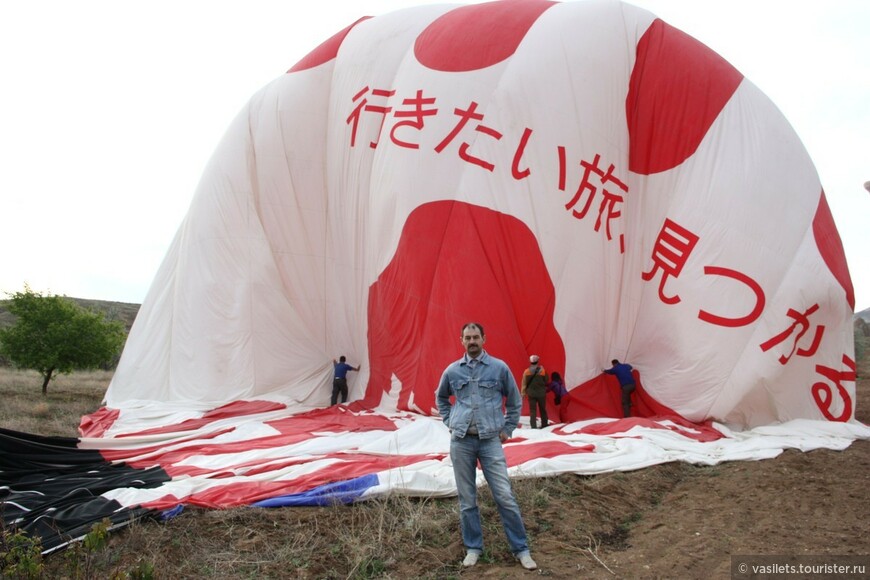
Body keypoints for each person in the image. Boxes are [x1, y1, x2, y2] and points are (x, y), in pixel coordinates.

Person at [435, 322, 537, 571]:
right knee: (467, 500)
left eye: (476, 337)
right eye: (467, 337)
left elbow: (514, 400)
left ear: (484, 339)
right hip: (461, 441)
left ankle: (521, 549)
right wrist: (450, 421)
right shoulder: (452, 371)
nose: (472, 341)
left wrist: (507, 429)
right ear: (461, 340)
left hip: (491, 441)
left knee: (504, 496)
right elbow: (441, 398)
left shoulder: (499, 368)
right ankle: (473, 548)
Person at [521, 355, 549, 429]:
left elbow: (524, 383)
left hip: (531, 394)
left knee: (532, 410)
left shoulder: (526, 371)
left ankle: (533, 426)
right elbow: (546, 380)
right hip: (541, 394)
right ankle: (544, 424)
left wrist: (523, 393)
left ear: (530, 362)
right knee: (543, 409)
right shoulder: (542, 371)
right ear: (537, 361)